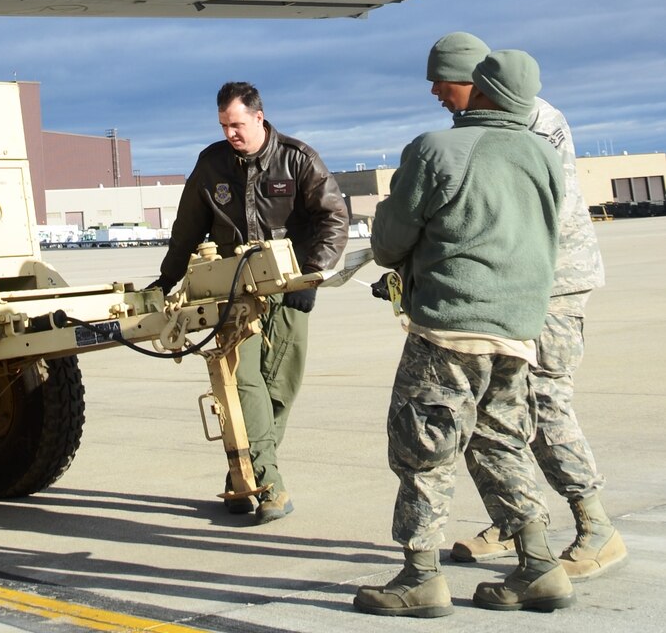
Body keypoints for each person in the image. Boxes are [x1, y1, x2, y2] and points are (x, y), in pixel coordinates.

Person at [354, 51, 572, 618]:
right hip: (519, 329)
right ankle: (539, 565)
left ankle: (420, 577)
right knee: (501, 440)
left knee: (423, 448)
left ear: (479, 90)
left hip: (449, 328)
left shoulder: (436, 149)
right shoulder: (545, 155)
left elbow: (389, 243)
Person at [424, 32, 626, 583]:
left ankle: (595, 525)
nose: (437, 94)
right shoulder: (492, 123)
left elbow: (511, 215)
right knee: (490, 410)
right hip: (509, 291)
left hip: (550, 287)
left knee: (541, 406)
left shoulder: (530, 122)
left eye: (443, 83)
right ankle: (517, 518)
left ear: (474, 81)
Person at [155, 79, 347, 522]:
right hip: (233, 294)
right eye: (223, 125)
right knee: (246, 386)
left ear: (259, 117)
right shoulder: (211, 165)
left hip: (289, 291)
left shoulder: (298, 159)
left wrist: (310, 279)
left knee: (281, 388)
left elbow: (334, 218)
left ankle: (241, 475)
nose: (230, 134)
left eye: (237, 124)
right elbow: (186, 232)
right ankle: (270, 486)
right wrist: (164, 284)